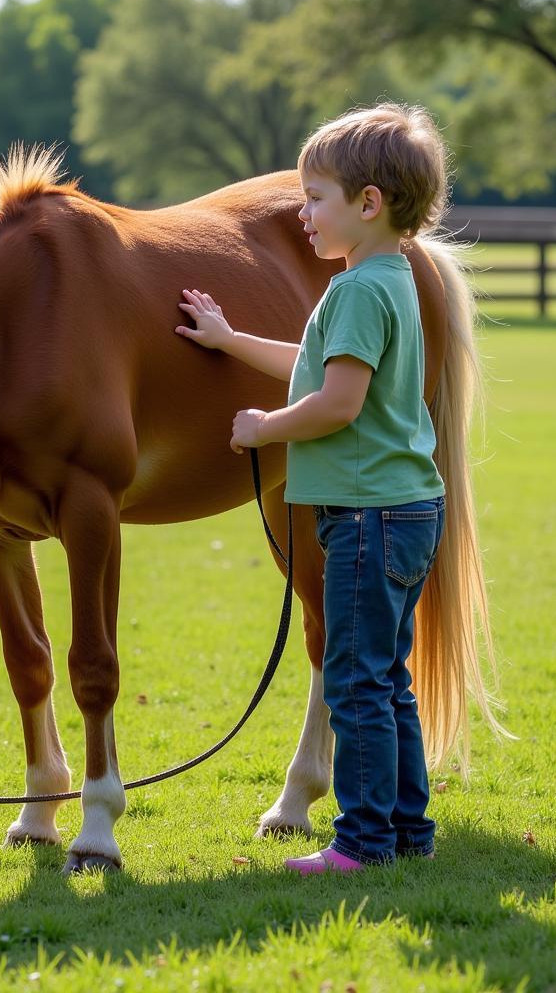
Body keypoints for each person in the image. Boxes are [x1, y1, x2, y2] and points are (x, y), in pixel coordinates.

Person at [176, 103, 449, 873]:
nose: (302, 213)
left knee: (357, 685)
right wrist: (230, 340)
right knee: (386, 683)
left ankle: (360, 844)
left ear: (369, 204)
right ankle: (408, 832)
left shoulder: (359, 289)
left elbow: (336, 403)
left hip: (368, 519)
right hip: (405, 512)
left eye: (317, 198)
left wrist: (265, 429)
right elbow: (318, 360)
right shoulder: (385, 279)